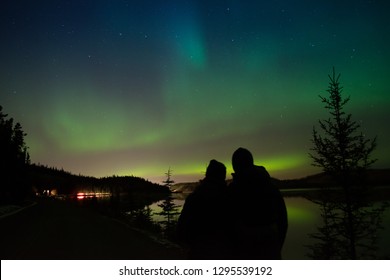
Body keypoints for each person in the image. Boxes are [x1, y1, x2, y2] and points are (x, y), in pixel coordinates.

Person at [229, 147, 288, 259]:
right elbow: (283, 221)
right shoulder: (270, 187)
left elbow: (229, 222)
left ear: (235, 165)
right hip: (270, 249)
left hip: (245, 251)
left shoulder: (234, 189)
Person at [177, 159, 231, 259]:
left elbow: (181, 228)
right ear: (222, 176)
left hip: (198, 252)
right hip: (223, 253)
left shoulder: (194, 198)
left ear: (207, 175)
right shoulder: (229, 198)